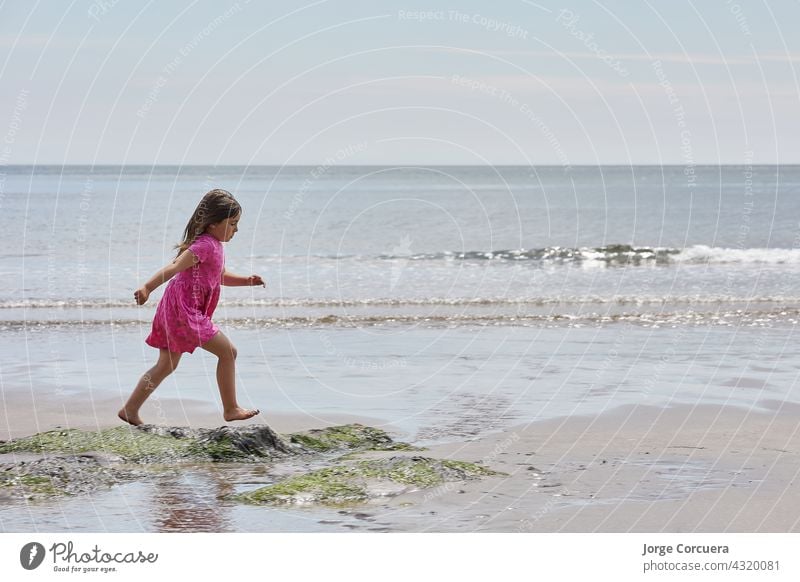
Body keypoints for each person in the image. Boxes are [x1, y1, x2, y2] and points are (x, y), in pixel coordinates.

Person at [119, 189, 264, 426]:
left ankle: (130, 409)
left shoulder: (215, 245)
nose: (236, 229)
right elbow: (175, 266)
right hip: (183, 311)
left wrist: (246, 281)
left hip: (174, 308)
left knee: (166, 364)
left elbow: (219, 276)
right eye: (232, 223)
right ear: (212, 223)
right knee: (228, 352)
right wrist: (147, 287)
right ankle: (231, 408)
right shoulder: (205, 245)